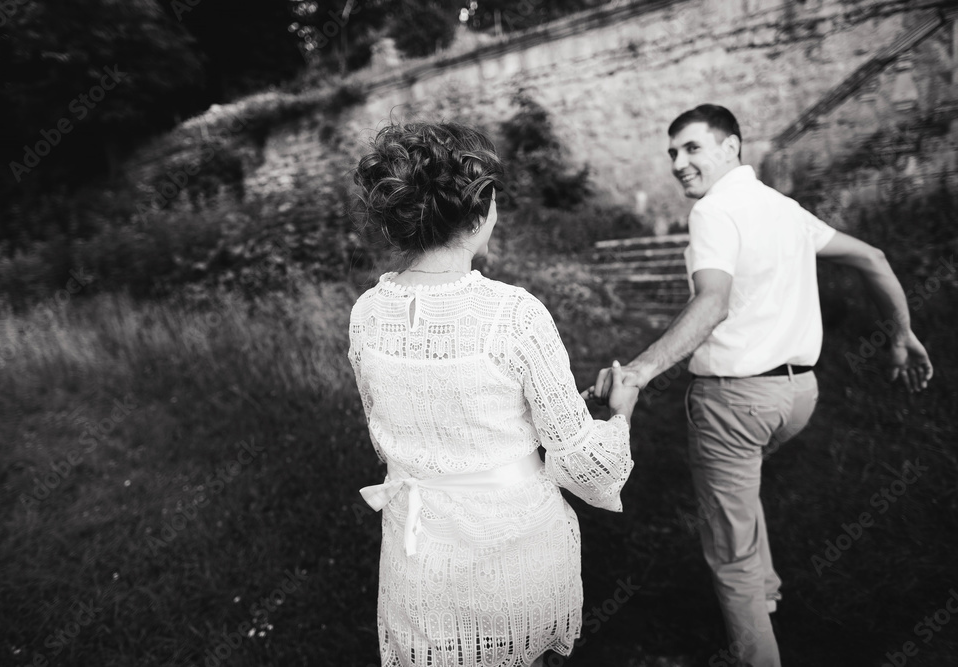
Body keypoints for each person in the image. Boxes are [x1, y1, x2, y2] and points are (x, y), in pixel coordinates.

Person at [589, 104, 933, 666]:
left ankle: (757, 644)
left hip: (735, 402)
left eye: (692, 148)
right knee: (740, 502)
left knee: (730, 556)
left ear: (731, 147)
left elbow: (713, 302)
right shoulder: (784, 208)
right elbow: (872, 257)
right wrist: (901, 334)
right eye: (672, 153)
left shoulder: (715, 212)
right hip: (798, 398)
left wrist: (640, 372)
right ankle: (767, 594)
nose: (678, 163)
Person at [347, 121, 639, 667]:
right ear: (482, 212)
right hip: (512, 557)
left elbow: (402, 430)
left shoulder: (367, 314)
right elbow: (584, 463)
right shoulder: (512, 314)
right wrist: (619, 413)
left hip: (419, 567)